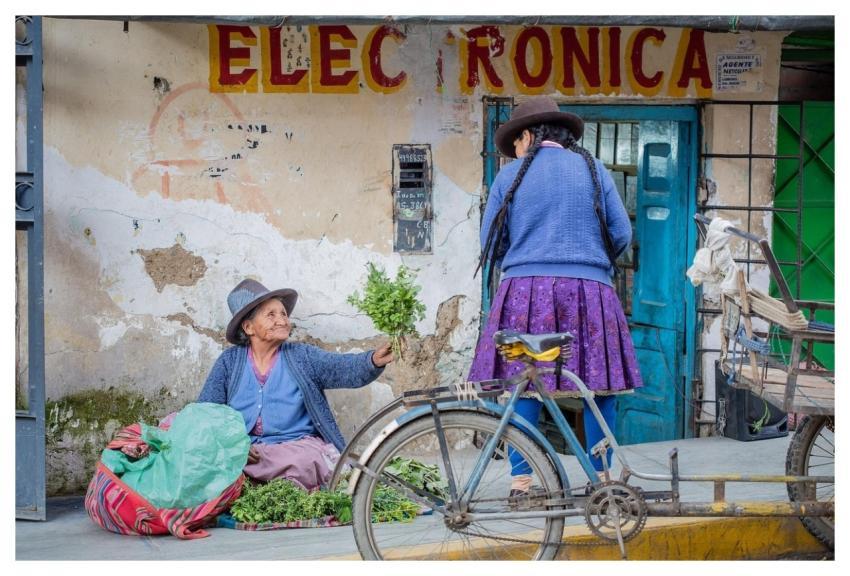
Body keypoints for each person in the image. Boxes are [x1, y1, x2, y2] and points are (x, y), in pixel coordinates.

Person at [468, 96, 643, 497]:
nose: (516, 150)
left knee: (523, 383)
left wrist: (525, 260)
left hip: (524, 291)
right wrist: (588, 260)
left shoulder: (509, 176)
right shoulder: (594, 169)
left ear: (529, 136)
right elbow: (621, 233)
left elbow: (491, 243)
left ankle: (522, 483)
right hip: (591, 292)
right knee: (600, 386)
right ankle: (603, 481)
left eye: (516, 142)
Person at [198, 278, 393, 491]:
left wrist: (372, 360)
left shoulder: (301, 356)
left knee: (304, 461)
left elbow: (341, 368)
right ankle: (253, 481)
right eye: (271, 315)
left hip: (296, 448)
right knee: (202, 453)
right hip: (246, 452)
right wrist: (234, 444)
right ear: (248, 327)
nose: (282, 321)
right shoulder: (229, 362)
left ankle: (258, 484)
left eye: (283, 314)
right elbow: (206, 412)